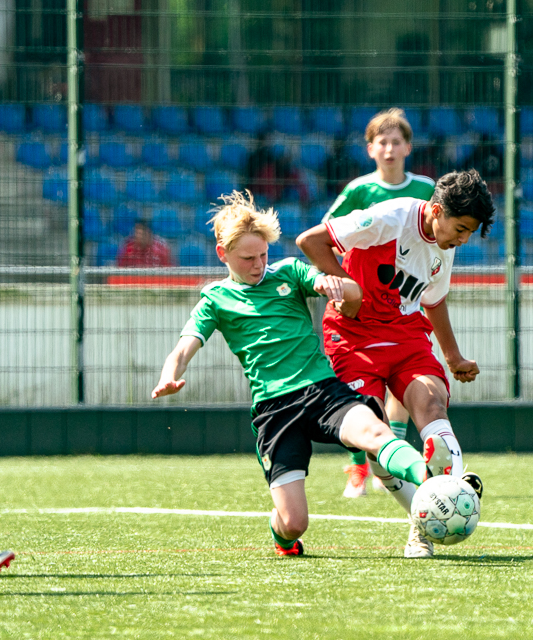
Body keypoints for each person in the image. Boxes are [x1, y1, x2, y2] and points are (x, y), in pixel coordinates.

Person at [152, 191, 446, 556]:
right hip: (276, 411)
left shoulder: (290, 271)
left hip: (322, 391)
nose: (259, 264)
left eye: (263, 254)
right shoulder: (215, 299)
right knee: (294, 523)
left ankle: (431, 482)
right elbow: (183, 347)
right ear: (222, 255)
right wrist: (169, 376)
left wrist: (334, 284)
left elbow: (354, 291)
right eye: (248, 258)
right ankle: (282, 538)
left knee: (375, 431)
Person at [298, 169, 495, 558]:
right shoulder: (392, 217)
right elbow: (312, 241)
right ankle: (431, 502)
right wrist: (345, 290)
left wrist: (453, 357)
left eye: (470, 232)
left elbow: (433, 301)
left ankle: (425, 523)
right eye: (461, 228)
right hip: (353, 337)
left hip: (406, 334)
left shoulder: (445, 245)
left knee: (432, 404)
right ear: (435, 210)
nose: (463, 239)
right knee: (377, 441)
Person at [322, 108, 437, 499]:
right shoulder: (359, 191)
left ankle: (392, 462)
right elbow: (326, 233)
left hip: (405, 300)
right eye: (381, 142)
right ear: (370, 149)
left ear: (408, 146)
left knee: (403, 378)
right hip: (364, 306)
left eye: (396, 141)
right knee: (362, 393)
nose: (389, 149)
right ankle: (361, 467)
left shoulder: (426, 189)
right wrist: (346, 286)